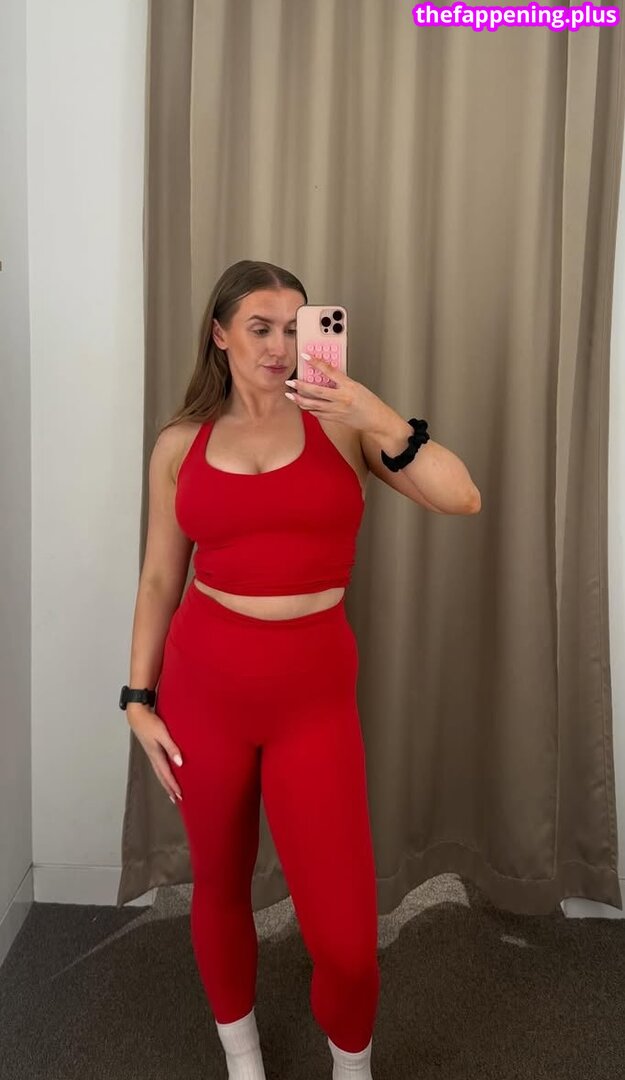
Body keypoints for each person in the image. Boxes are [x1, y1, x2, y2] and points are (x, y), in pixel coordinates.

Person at [122, 259, 479, 1079]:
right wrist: (138, 698)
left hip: (312, 700)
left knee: (346, 939)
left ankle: (350, 1068)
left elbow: (461, 496)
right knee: (219, 886)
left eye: (294, 327)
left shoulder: (343, 427)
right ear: (220, 335)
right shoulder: (179, 445)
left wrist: (368, 409)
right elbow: (159, 578)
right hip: (204, 689)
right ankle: (242, 1059)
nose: (280, 345)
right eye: (260, 327)